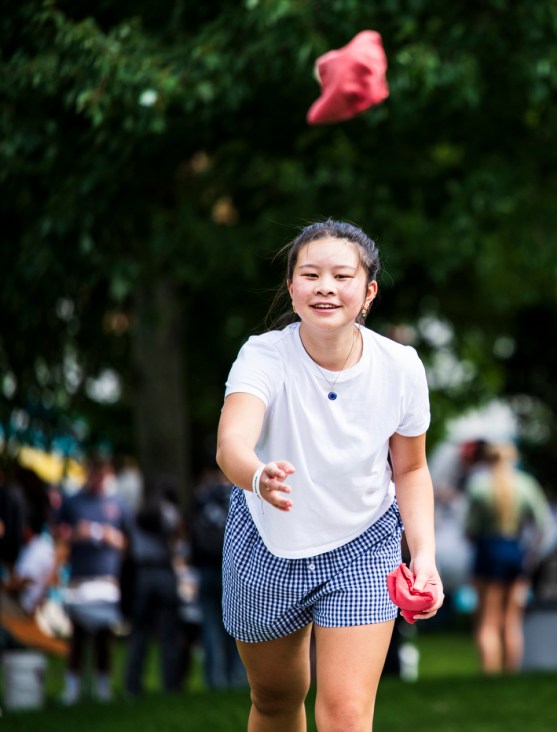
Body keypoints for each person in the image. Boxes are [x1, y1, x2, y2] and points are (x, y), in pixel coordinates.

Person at [216, 219, 443, 731]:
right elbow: (231, 444)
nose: (325, 287)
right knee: (276, 697)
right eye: (311, 274)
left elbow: (410, 468)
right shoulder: (263, 356)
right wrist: (257, 476)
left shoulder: (401, 366)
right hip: (267, 541)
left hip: (363, 545)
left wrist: (423, 555)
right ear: (292, 288)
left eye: (342, 276)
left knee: (345, 712)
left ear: (369, 292)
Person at [464, 442, 552, 674]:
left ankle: (490, 673)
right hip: (515, 550)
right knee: (512, 620)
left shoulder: (480, 486)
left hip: (488, 550)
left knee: (487, 620)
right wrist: (532, 554)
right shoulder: (525, 484)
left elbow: (469, 529)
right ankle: (511, 674)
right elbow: (543, 525)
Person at [54, 455, 129, 704]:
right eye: (94, 473)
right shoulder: (72, 501)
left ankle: (103, 687)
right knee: (76, 636)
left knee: (103, 637)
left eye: (102, 474)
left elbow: (127, 541)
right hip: (80, 578)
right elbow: (58, 534)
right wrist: (76, 534)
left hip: (106, 579)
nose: (98, 479)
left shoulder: (116, 503)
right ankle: (72, 688)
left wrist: (112, 537)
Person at [123, 475, 184, 696]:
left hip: (142, 575)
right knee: (169, 633)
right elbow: (176, 539)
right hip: (164, 574)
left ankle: (132, 685)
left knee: (139, 632)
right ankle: (170, 684)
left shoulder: (137, 511)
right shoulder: (169, 511)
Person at [189, 463, 247, 690]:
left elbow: (191, 533)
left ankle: (215, 679)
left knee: (210, 627)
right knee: (238, 626)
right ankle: (238, 678)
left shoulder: (201, 497)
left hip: (206, 569)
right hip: (234, 569)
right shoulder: (241, 493)